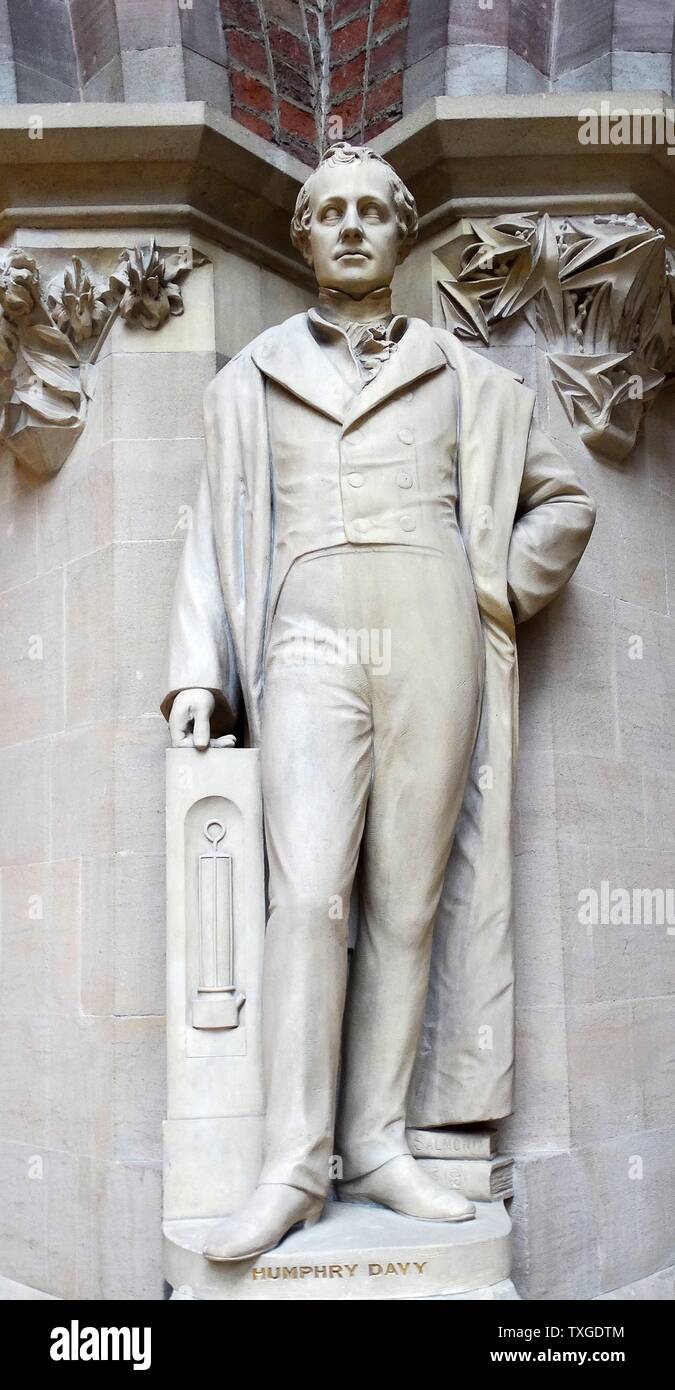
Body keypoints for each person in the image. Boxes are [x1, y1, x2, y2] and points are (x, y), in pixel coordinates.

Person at [162, 143, 596, 1261]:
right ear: (304, 237)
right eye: (331, 211)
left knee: (409, 898)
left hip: (433, 620)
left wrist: (490, 585)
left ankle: (380, 1141)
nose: (352, 226)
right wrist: (201, 672)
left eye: (372, 209)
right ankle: (292, 1164)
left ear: (401, 231)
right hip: (304, 624)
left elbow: (566, 503)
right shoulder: (248, 377)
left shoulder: (475, 380)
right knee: (307, 894)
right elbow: (212, 532)